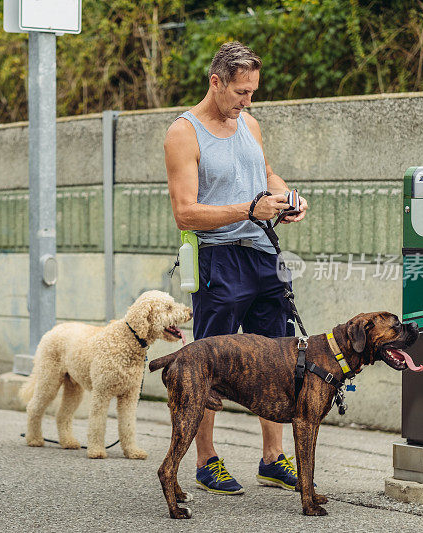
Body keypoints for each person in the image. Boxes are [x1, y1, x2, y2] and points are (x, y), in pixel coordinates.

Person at [163, 41, 308, 495]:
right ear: (216, 82)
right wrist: (249, 209)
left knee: (280, 356)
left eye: (253, 92)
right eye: (241, 92)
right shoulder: (183, 133)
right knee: (210, 364)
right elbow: (186, 213)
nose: (248, 101)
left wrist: (286, 198)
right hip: (217, 260)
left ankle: (271, 459)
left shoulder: (249, 123)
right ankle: (207, 460)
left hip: (263, 253)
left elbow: (265, 175)